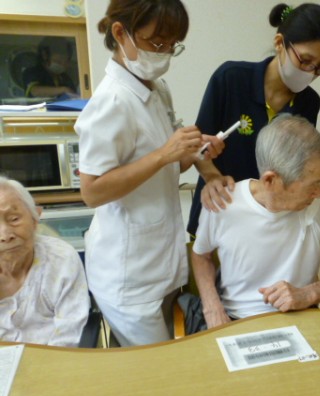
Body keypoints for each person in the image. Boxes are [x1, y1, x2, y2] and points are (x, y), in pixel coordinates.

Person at [75, 0, 224, 347]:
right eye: (157, 43)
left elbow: (167, 168)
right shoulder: (111, 102)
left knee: (167, 354)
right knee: (155, 369)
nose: (165, 53)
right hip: (129, 277)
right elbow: (92, 191)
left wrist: (194, 152)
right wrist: (163, 155)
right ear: (120, 33)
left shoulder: (156, 88)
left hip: (159, 262)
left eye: (172, 45)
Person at [186, 2, 320, 236]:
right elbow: (198, 147)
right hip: (219, 211)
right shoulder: (231, 79)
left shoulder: (309, 102)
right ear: (279, 43)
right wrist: (212, 177)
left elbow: (296, 165)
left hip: (268, 225)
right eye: (305, 61)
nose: (311, 72)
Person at [190, 114, 320, 329]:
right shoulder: (223, 203)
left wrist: (309, 293)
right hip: (238, 321)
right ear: (270, 180)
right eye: (312, 184)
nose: (318, 192)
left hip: (302, 317)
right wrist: (212, 307)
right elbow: (201, 256)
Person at [0, 176, 90, 347]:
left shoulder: (60, 260)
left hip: (53, 356)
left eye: (14, 219)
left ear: (35, 219)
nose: (5, 236)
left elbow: (70, 333)